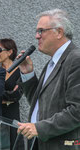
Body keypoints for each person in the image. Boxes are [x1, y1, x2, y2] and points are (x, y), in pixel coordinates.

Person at [17, 9, 80, 150]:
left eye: (41, 31)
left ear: (59, 32)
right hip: (40, 143)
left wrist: (39, 128)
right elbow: (41, 102)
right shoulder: (53, 62)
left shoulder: (75, 59)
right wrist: (28, 74)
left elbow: (77, 111)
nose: (36, 36)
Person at [0, 38, 24, 149]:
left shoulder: (20, 71)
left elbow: (16, 95)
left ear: (10, 52)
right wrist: (6, 95)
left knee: (14, 144)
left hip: (12, 114)